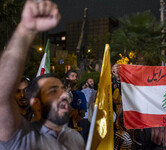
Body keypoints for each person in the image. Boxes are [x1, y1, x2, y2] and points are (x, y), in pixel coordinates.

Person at [0, 1, 84, 149]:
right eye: (52, 91)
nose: (63, 95)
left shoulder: (75, 139)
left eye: (61, 90)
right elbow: (3, 93)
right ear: (35, 102)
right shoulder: (20, 135)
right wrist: (25, 30)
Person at [81, 78, 97, 143]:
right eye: (90, 81)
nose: (92, 82)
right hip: (85, 116)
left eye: (92, 81)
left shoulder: (96, 92)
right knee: (85, 133)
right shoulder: (83, 91)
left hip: (93, 116)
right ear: (87, 83)